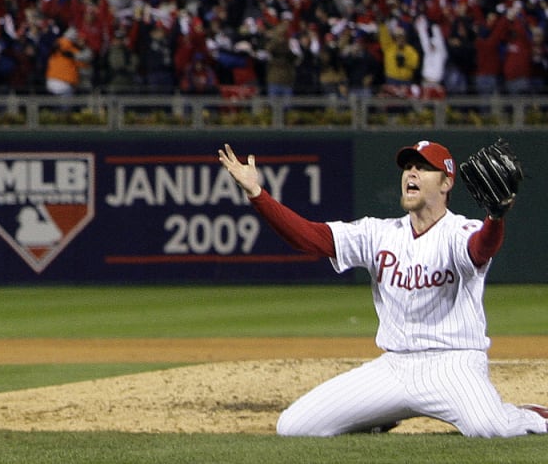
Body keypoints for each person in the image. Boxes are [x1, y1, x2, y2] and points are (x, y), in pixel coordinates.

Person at [217, 140, 548, 438]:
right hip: (394, 368)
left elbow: (481, 249)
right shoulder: (378, 233)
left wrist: (495, 217)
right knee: (294, 427)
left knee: (489, 429)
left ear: (446, 183)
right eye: (408, 167)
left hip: (454, 365)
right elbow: (309, 237)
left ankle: (531, 416)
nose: (411, 173)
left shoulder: (460, 230)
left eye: (423, 167)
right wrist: (257, 195)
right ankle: (374, 417)